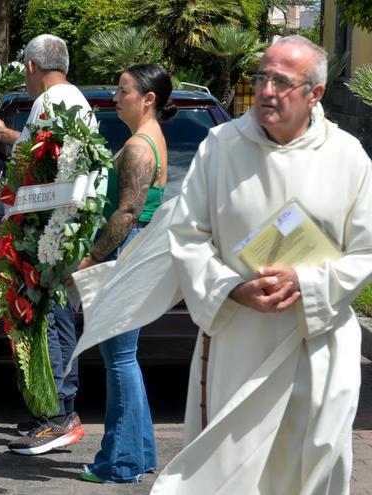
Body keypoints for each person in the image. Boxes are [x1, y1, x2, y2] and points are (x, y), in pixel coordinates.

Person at [72, 35, 372, 493]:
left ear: (315, 93)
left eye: (282, 82)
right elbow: (187, 235)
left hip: (317, 344)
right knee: (232, 470)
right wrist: (231, 286)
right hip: (239, 340)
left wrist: (308, 284)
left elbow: (365, 250)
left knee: (312, 463)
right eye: (261, 78)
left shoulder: (348, 157)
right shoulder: (222, 146)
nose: (267, 90)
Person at [0, 33, 95, 456]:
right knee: (54, 321)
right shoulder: (71, 101)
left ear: (30, 67)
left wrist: (2, 194)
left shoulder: (52, 103)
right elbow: (41, 156)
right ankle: (56, 411)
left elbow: (43, 178)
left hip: (49, 234)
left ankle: (59, 416)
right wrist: (10, 138)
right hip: (59, 230)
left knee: (52, 323)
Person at [73, 63, 176, 483]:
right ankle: (139, 453)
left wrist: (91, 258)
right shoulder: (151, 139)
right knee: (124, 359)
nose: (115, 97)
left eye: (123, 90)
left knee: (118, 360)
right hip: (136, 252)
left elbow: (128, 212)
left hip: (125, 254)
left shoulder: (138, 147)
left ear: (147, 99)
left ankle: (121, 462)